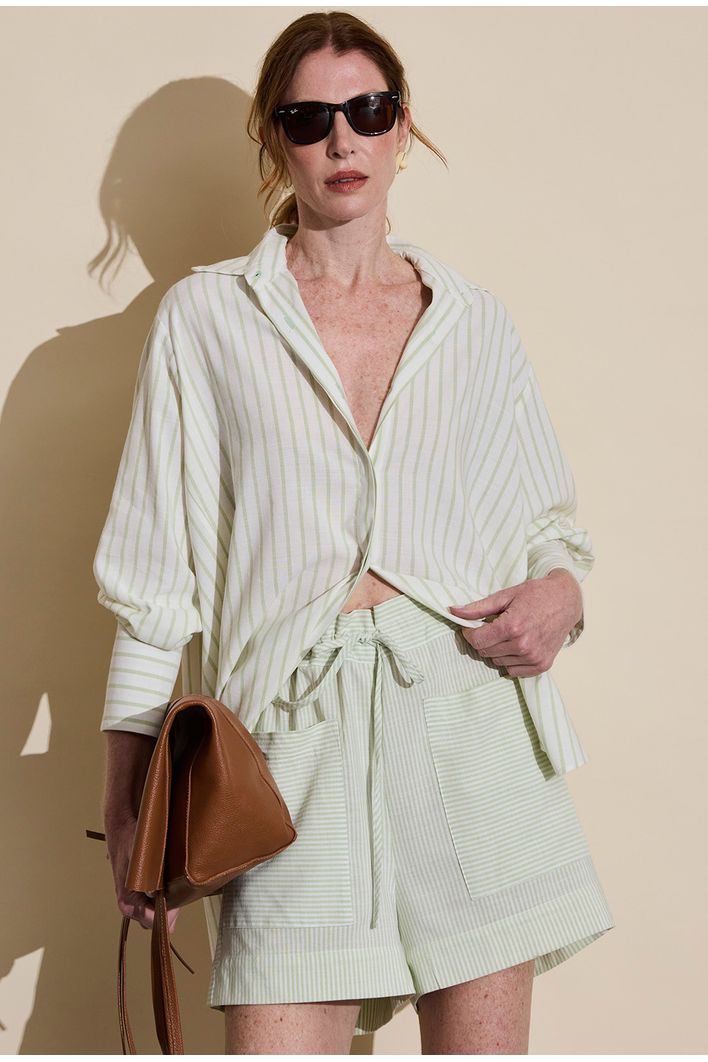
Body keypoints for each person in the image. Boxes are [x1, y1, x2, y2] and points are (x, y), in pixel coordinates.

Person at [95, 10, 615, 1055]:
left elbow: (549, 527)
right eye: (309, 117)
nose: (343, 138)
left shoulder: (473, 322)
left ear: (402, 127)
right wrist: (131, 802)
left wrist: (561, 595)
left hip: (467, 723)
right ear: (273, 138)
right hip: (290, 746)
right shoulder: (206, 321)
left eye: (369, 111)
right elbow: (156, 580)